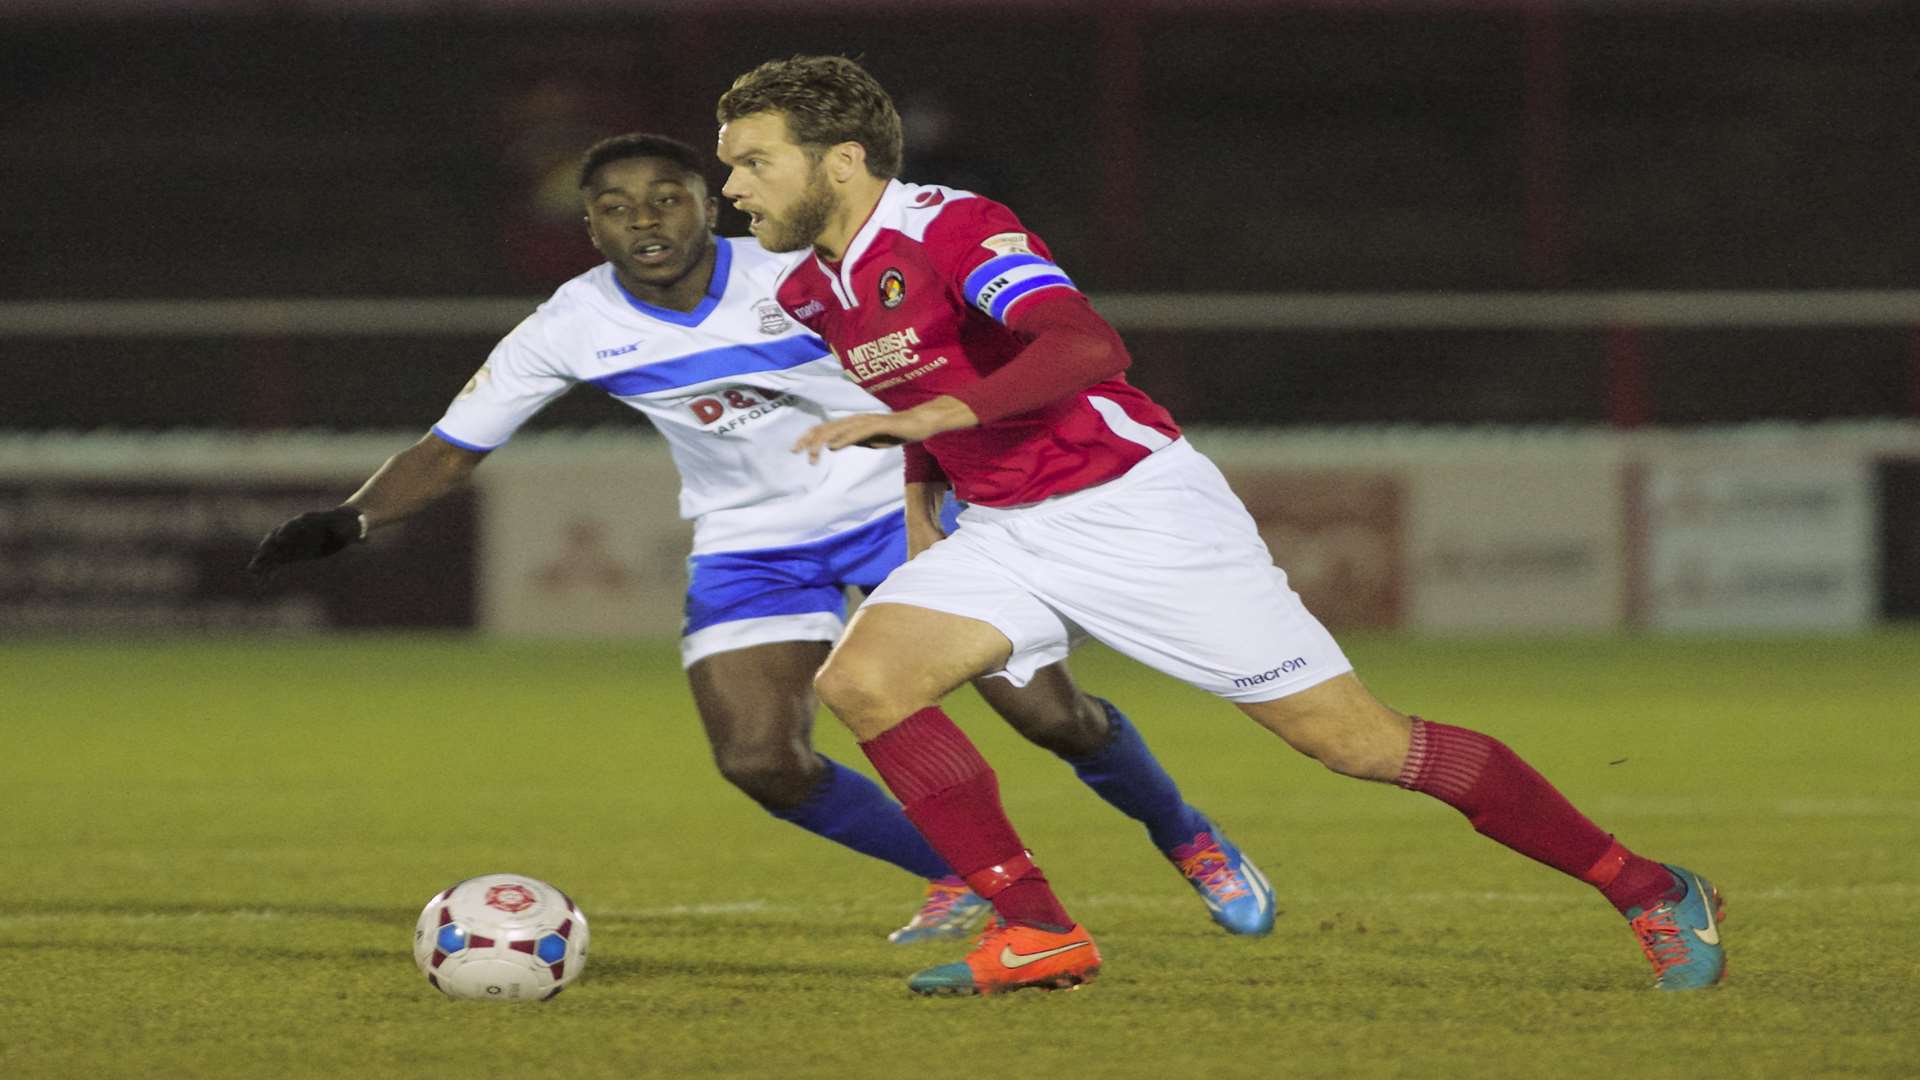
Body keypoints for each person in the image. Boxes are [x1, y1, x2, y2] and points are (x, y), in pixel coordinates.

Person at [714, 57, 1727, 996]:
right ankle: (1036, 927)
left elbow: (1082, 343)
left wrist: (938, 420)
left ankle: (1647, 886)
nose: (735, 189)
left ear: (842, 161)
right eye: (731, 168)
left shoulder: (952, 226)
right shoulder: (816, 289)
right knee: (865, 682)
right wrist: (922, 503)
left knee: (1359, 744)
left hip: (1135, 511)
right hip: (1008, 529)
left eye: (755, 163)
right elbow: (923, 386)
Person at [247, 133, 1276, 946]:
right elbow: (454, 445)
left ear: (711, 202)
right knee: (760, 760)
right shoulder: (570, 323)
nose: (644, 219)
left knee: (1048, 714)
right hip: (752, 542)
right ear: (590, 227)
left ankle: (1189, 839)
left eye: (668, 197)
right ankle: (966, 877)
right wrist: (351, 518)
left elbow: (949, 340)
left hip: (893, 507)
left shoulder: (795, 275)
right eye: (615, 206)